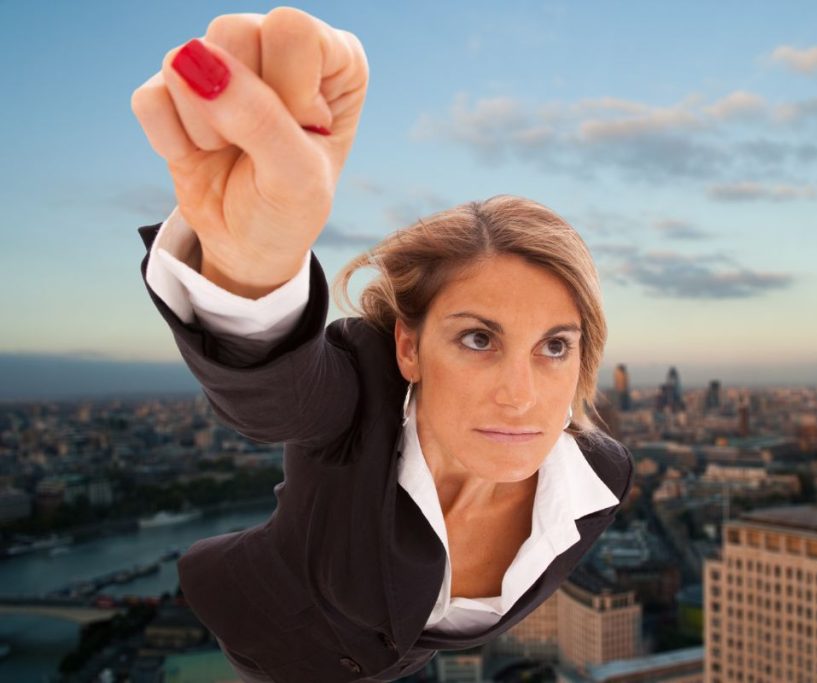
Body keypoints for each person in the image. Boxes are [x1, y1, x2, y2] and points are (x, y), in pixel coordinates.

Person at [130, 8, 634, 683]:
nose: (521, 393)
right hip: (265, 646)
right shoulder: (358, 400)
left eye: (554, 347)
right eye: (478, 337)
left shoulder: (600, 479)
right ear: (408, 346)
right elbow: (279, 393)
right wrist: (252, 260)